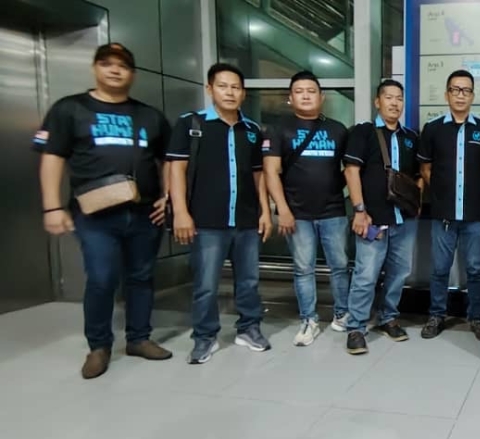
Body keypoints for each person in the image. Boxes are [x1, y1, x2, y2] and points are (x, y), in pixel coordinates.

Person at [33, 43, 173, 379]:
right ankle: (98, 346)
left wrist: (167, 196)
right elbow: (52, 157)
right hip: (95, 214)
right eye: (107, 63)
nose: (115, 70)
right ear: (96, 68)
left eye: (123, 65)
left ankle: (139, 338)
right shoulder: (70, 109)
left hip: (143, 213)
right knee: (102, 277)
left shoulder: (149, 115)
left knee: (141, 277)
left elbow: (168, 159)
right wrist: (52, 206)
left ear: (132, 74)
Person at [166, 63, 273, 364]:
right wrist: (181, 214)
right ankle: (204, 337)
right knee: (206, 284)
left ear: (243, 92)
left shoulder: (251, 130)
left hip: (246, 220)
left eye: (236, 87)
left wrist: (265, 212)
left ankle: (249, 328)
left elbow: (258, 176)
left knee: (249, 281)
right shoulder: (191, 124)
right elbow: (176, 169)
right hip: (206, 221)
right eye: (223, 86)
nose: (230, 92)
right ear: (209, 89)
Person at [263, 71, 351, 347]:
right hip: (297, 214)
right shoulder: (279, 129)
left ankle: (342, 314)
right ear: (290, 98)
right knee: (303, 269)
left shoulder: (338, 129)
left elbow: (350, 171)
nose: (305, 95)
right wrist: (282, 210)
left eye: (311, 91)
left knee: (339, 266)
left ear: (321, 97)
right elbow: (270, 171)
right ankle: (309, 320)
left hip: (334, 211)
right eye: (299, 91)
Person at [342, 79, 421, 355]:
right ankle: (356, 327)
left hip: (404, 221)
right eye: (388, 97)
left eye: (399, 98)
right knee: (366, 274)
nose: (394, 103)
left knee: (399, 273)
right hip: (373, 219)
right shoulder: (363, 133)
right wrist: (360, 211)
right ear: (378, 101)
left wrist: (416, 201)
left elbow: (418, 176)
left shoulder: (411, 137)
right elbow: (351, 172)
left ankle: (389, 318)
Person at [418, 70, 480, 341]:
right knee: (440, 268)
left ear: (473, 95)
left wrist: (472, 194)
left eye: (466, 90)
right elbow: (426, 168)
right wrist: (442, 192)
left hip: (474, 214)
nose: (460, 94)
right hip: (443, 214)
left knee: (476, 268)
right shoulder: (433, 128)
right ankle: (436, 314)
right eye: (455, 89)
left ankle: (476, 317)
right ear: (447, 94)